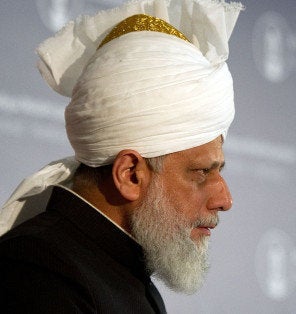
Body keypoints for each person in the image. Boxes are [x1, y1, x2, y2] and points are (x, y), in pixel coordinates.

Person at [0, 0, 243, 312]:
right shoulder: (35, 277)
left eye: (218, 171)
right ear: (130, 174)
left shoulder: (126, 276)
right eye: (200, 173)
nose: (225, 199)